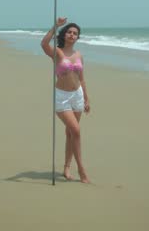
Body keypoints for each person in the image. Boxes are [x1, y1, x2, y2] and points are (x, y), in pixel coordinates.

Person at [41, 17, 90, 184]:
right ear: (64, 34)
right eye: (69, 32)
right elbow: (43, 44)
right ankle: (82, 170)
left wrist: (87, 99)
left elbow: (81, 78)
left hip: (77, 95)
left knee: (70, 133)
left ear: (78, 37)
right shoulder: (57, 52)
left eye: (75, 33)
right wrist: (55, 25)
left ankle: (67, 167)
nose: (72, 35)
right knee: (76, 131)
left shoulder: (79, 55)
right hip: (62, 97)